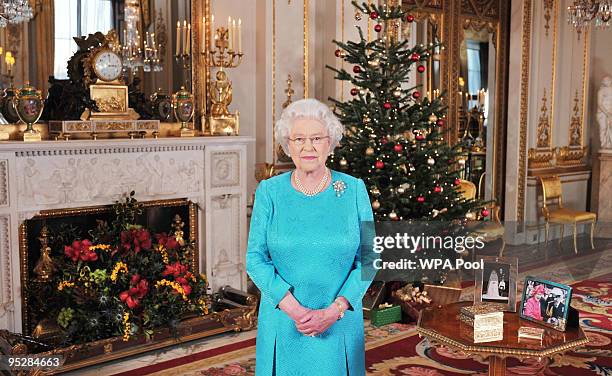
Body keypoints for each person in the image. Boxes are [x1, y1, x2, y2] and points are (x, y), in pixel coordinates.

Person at [246, 98, 374, 375]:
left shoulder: (353, 190)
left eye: (317, 138)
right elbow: (255, 259)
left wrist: (334, 311)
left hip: (339, 321)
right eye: (299, 138)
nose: (308, 147)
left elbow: (369, 260)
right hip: (284, 319)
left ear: (330, 142)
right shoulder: (269, 192)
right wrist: (294, 310)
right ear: (287, 145)